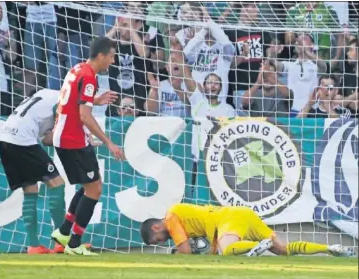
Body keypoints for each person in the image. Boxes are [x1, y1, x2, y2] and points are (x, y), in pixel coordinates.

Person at [51, 37, 125, 256]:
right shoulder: (89, 77)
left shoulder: (78, 68)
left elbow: (72, 103)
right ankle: (74, 244)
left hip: (66, 136)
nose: (112, 61)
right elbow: (85, 115)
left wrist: (96, 100)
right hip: (71, 139)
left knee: (89, 186)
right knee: (95, 189)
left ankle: (65, 232)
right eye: (111, 56)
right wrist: (108, 142)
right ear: (100, 56)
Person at [140, 203, 355, 257]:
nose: (162, 242)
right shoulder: (180, 216)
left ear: (157, 227)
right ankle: (330, 248)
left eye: (157, 239)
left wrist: (175, 253)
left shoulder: (171, 217)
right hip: (244, 215)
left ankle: (257, 246)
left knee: (228, 249)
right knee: (284, 250)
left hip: (229, 218)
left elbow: (185, 251)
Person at [0, 89, 66, 254]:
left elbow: (48, 140)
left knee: (30, 189)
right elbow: (60, 120)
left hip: (5, 137)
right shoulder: (64, 99)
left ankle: (34, 245)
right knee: (57, 184)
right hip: (22, 140)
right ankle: (61, 241)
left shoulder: (45, 93)